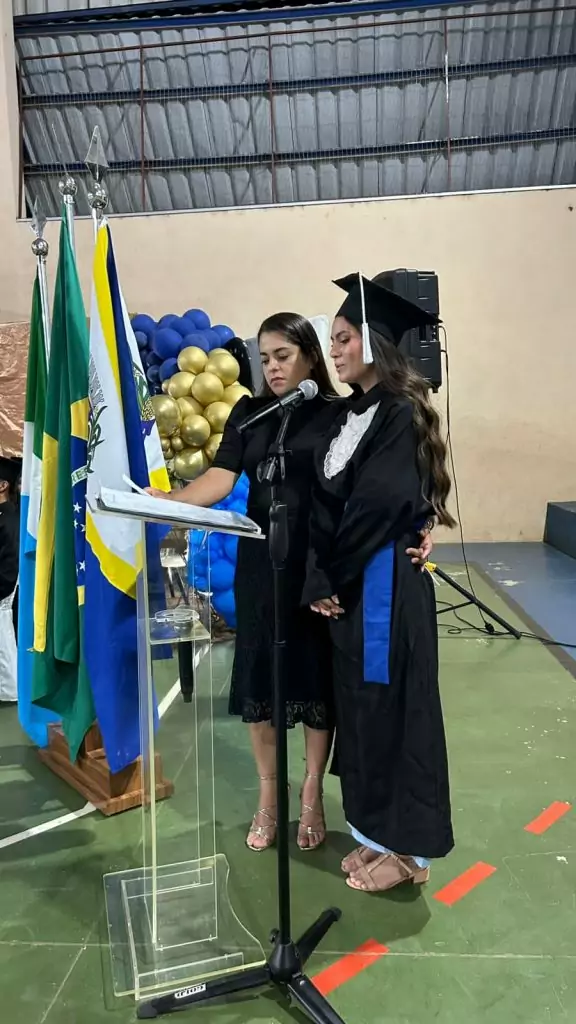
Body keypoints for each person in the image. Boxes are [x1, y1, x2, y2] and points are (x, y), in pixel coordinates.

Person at [147, 314, 433, 852]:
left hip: (318, 566)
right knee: (261, 683)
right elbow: (221, 477)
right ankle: (267, 798)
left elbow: (383, 474)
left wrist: (420, 524)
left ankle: (310, 795)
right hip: (261, 564)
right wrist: (170, 502)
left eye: (284, 355)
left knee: (314, 682)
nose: (273, 366)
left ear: (309, 356)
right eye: (265, 357)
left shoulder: (337, 411)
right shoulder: (249, 412)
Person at [303, 274, 455, 893]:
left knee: (396, 713)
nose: (333, 349)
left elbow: (377, 505)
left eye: (342, 338)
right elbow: (324, 505)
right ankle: (377, 837)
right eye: (331, 339)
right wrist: (318, 571)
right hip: (355, 586)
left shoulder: (396, 413)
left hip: (384, 587)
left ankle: (411, 854)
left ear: (375, 343)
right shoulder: (351, 414)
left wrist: (328, 573)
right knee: (363, 714)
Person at [0, 456, 21, 704]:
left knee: (4, 641)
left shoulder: (8, 518)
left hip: (4, 589)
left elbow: (9, 564)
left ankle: (10, 690)